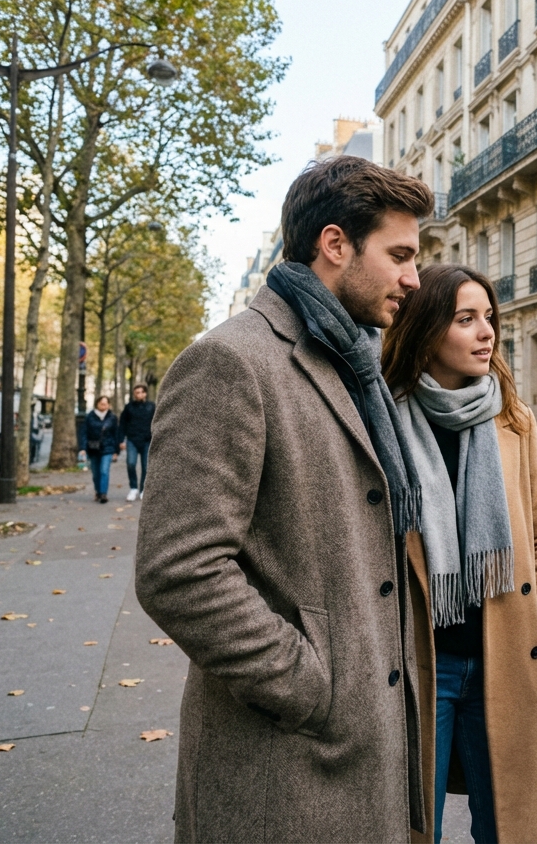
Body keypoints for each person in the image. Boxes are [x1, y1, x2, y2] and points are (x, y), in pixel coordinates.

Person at [135, 156, 435, 842]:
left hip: (360, 759)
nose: (414, 278)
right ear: (335, 245)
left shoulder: (354, 362)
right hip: (285, 769)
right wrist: (313, 685)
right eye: (399, 255)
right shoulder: (233, 361)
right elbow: (178, 570)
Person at [383, 265, 537, 844]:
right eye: (466, 319)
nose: (486, 333)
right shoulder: (384, 422)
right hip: (421, 666)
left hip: (506, 658)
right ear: (428, 329)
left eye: (489, 317)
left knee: (509, 829)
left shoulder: (513, 420)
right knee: (414, 829)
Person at [118, 383, 155, 501]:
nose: (139, 395)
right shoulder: (129, 407)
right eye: (136, 392)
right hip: (132, 440)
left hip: (147, 440)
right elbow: (122, 423)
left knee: (146, 466)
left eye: (141, 392)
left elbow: (157, 423)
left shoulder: (152, 407)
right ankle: (133, 488)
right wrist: (121, 440)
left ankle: (143, 489)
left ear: (145, 393)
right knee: (131, 463)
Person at [83, 395, 119, 504]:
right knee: (95, 473)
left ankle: (103, 493)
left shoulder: (112, 417)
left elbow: (116, 434)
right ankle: (98, 491)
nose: (103, 406)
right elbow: (84, 433)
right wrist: (82, 448)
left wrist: (116, 451)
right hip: (93, 448)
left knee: (104, 471)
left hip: (108, 448)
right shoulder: (90, 416)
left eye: (105, 404)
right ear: (97, 404)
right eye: (101, 403)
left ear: (108, 405)